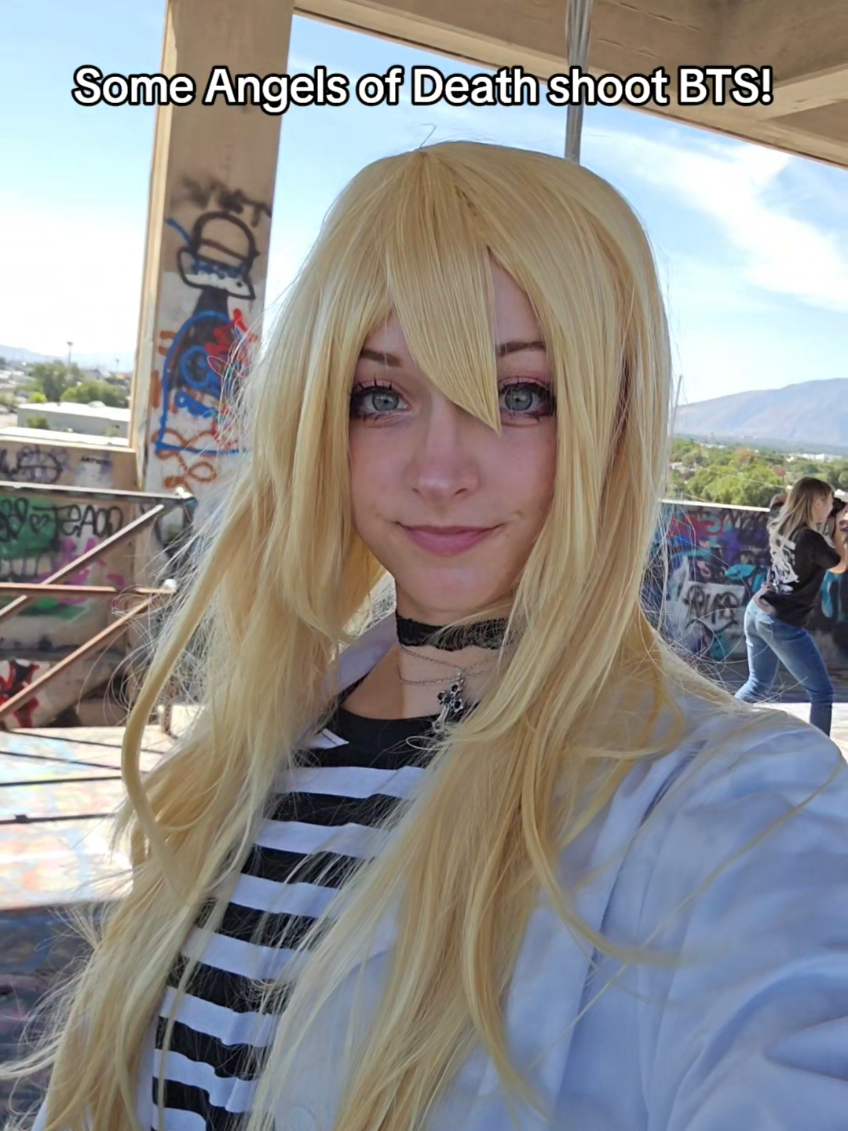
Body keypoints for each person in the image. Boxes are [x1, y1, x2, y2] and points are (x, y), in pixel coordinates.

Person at [14, 143, 848, 1131]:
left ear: (612, 422)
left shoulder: (742, 807)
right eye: (382, 396)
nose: (440, 470)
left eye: (519, 395)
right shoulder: (252, 750)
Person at [735, 477, 848, 733]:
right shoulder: (811, 540)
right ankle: (821, 752)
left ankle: (721, 726)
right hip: (780, 621)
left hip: (757, 610)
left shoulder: (779, 521)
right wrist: (838, 531)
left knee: (758, 684)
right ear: (817, 503)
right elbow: (841, 565)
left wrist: (815, 503)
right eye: (829, 502)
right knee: (822, 693)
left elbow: (778, 500)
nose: (831, 508)